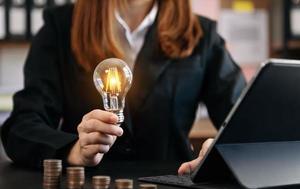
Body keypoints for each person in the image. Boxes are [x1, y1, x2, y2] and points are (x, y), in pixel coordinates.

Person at [1, 0, 246, 175]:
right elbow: (21, 127)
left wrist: (221, 150)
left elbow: (246, 119)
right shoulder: (61, 27)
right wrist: (74, 150)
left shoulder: (201, 34)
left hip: (172, 185)